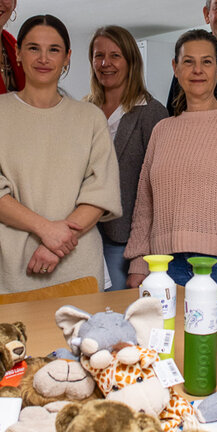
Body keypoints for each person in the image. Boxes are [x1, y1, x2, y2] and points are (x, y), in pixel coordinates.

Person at [0, 14, 120, 296]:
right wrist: (47, 230)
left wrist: (54, 245)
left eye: (53, 49)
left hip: (77, 267)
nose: (43, 58)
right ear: (18, 53)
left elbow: (100, 192)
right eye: (33, 48)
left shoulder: (90, 117)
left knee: (81, 342)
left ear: (67, 57)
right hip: (8, 266)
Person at [126, 29, 217, 306]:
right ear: (175, 68)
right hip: (162, 267)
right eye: (188, 61)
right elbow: (145, 203)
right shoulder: (163, 130)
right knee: (164, 345)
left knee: (216, 350)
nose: (197, 70)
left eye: (207, 62)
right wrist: (137, 260)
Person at [84, 25, 168, 290]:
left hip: (125, 240)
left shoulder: (152, 113)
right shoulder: (83, 110)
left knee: (121, 317)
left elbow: (158, 189)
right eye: (99, 56)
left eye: (115, 55)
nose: (105, 63)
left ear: (132, 61)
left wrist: (143, 256)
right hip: (84, 235)